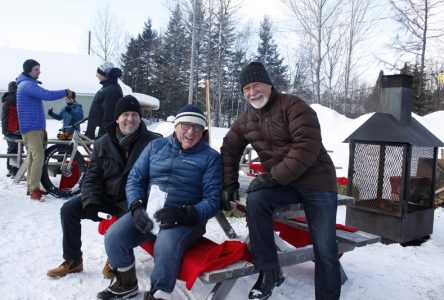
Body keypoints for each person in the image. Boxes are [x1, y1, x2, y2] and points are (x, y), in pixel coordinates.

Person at [220, 62, 340, 300]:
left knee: (325, 249)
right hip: (286, 184)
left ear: (268, 84)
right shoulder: (246, 119)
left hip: (318, 182)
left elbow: (306, 146)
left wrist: (272, 176)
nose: (252, 92)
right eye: (246, 88)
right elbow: (229, 149)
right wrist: (229, 183)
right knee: (256, 201)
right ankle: (269, 272)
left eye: (256, 85)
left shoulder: (293, 106)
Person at [96, 104, 222, 300]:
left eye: (197, 127)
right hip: (151, 210)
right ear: (176, 126)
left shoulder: (211, 158)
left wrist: (184, 214)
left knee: (166, 242)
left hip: (185, 218)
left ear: (203, 131)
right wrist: (137, 206)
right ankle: (126, 283)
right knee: (114, 236)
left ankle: (160, 293)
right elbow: (135, 178)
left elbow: (213, 200)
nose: (191, 132)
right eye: (186, 125)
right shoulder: (156, 146)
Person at [46, 95, 160, 279]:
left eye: (134, 115)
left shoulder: (154, 142)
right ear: (117, 118)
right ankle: (73, 260)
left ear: (140, 118)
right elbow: (92, 177)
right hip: (108, 197)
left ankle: (116, 260)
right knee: (69, 210)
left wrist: (140, 203)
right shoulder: (102, 143)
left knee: (122, 228)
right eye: (125, 115)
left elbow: (158, 180)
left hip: (134, 201)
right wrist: (90, 202)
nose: (130, 119)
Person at [16, 59, 74, 201]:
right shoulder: (26, 85)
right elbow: (47, 95)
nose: (39, 71)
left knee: (32, 157)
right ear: (28, 70)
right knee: (38, 157)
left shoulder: (28, 84)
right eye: (36, 69)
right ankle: (34, 189)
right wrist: (65, 92)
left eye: (39, 69)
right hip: (31, 128)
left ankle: (32, 187)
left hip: (36, 127)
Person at [85, 61, 123, 139]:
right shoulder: (106, 88)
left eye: (98, 73)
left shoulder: (112, 89)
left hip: (104, 133)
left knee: (100, 151)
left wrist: (103, 135)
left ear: (105, 74)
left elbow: (110, 115)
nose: (97, 76)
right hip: (98, 131)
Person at [1, 81, 21, 177]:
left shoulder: (6, 98)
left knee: (12, 149)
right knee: (16, 149)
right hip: (13, 128)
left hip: (7, 128)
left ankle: (10, 169)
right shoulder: (15, 98)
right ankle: (14, 171)